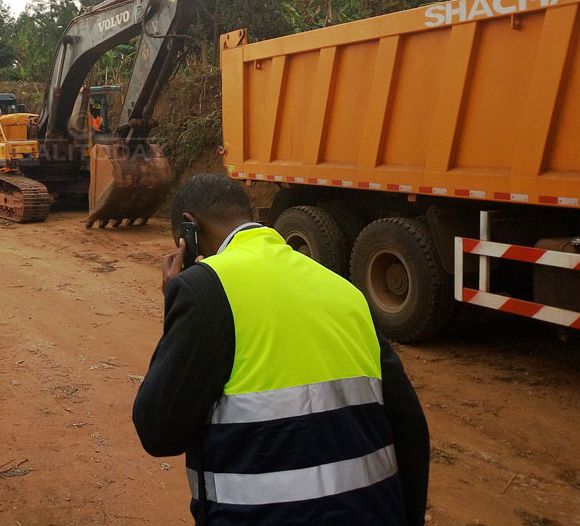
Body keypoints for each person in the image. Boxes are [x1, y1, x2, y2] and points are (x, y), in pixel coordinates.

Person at [133, 173, 429, 526]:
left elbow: (158, 431)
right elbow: (411, 430)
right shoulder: (346, 292)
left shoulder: (204, 289)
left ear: (189, 229)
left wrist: (176, 296)